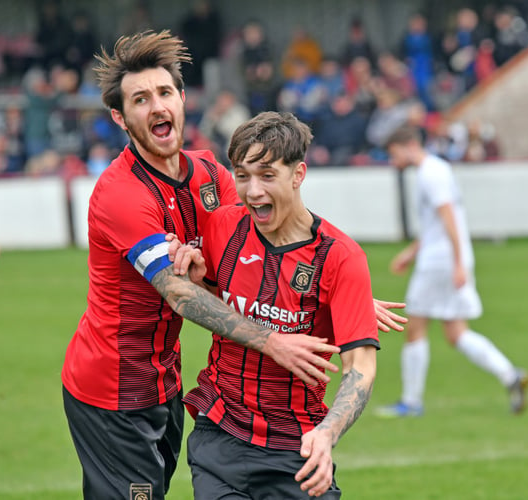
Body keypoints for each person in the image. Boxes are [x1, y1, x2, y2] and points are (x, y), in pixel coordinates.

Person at [59, 30, 377, 500]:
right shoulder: (121, 194)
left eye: (165, 93)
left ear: (183, 99)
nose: (157, 106)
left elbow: (254, 253)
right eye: (140, 99)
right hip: (112, 388)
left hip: (165, 379)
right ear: (120, 118)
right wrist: (273, 342)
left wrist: (350, 297)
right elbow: (181, 294)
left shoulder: (210, 171)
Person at [175, 111, 387, 498]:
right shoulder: (221, 227)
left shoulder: (340, 257)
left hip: (297, 446)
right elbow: (207, 299)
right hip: (218, 432)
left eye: (267, 175)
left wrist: (328, 432)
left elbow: (360, 367)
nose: (253, 191)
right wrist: (192, 271)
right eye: (242, 176)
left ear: (298, 174)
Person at [376, 126, 528, 418]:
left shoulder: (430, 174)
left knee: (416, 327)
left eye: (394, 153)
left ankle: (411, 402)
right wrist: (411, 253)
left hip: (440, 263)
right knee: (456, 332)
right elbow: (439, 224)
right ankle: (510, 375)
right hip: (444, 258)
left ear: (409, 145)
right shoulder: (435, 170)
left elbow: (449, 218)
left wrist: (458, 262)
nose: (392, 160)